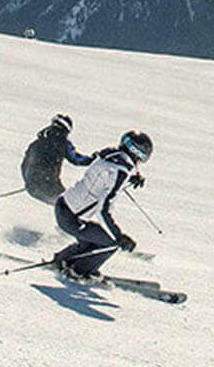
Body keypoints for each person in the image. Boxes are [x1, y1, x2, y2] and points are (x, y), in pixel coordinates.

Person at [52, 130, 152, 280]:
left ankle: (63, 260)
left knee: (92, 239)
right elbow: (103, 211)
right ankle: (78, 271)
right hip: (72, 217)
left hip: (64, 208)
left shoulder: (110, 155)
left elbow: (107, 171)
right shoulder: (120, 171)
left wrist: (132, 176)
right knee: (110, 243)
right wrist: (119, 237)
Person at [20, 114, 94, 204]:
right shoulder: (63, 143)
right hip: (50, 186)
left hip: (32, 187)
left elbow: (24, 165)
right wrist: (94, 159)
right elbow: (76, 159)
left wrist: (29, 182)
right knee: (69, 206)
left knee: (63, 206)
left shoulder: (36, 143)